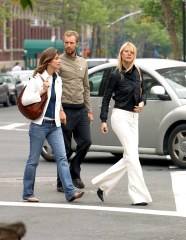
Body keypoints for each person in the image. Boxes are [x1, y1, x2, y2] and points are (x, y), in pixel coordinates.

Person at [91, 42, 152, 206]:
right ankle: (139, 196)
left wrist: (142, 103)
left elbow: (144, 92)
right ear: (121, 53)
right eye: (126, 51)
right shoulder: (115, 74)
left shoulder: (138, 71)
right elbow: (106, 98)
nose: (129, 54)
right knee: (133, 156)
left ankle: (103, 185)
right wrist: (103, 120)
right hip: (120, 117)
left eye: (132, 52)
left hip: (134, 118)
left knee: (129, 156)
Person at [22, 47, 84, 202]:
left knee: (62, 158)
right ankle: (28, 193)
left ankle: (70, 193)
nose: (59, 60)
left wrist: (61, 112)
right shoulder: (37, 79)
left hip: (54, 126)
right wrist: (41, 91)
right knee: (33, 161)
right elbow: (24, 100)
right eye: (56, 58)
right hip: (39, 125)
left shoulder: (58, 79)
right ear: (49, 61)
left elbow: (57, 101)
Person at [56, 30, 93, 192]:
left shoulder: (83, 62)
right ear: (63, 43)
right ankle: (60, 182)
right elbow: (55, 89)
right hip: (65, 110)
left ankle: (74, 172)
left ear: (77, 44)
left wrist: (89, 110)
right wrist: (60, 110)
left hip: (81, 110)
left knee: (86, 142)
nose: (69, 45)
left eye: (71, 42)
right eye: (66, 42)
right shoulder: (58, 62)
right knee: (64, 149)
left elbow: (86, 88)